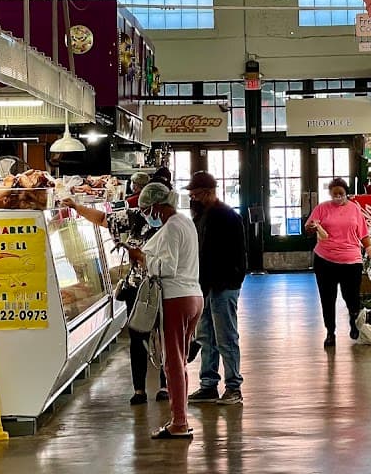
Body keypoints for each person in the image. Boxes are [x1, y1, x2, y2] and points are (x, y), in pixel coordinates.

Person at [63, 184, 203, 438]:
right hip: (193, 295)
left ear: (157, 207)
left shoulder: (171, 227)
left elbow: (167, 267)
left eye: (148, 209)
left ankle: (180, 422)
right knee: (178, 360)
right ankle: (178, 418)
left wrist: (141, 257)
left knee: (172, 362)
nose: (147, 214)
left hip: (176, 297)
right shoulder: (186, 222)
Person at [185, 172, 247, 406]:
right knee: (206, 337)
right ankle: (208, 385)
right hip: (205, 286)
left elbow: (239, 254)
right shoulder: (201, 216)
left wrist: (233, 281)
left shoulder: (228, 217)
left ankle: (233, 387)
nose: (193, 198)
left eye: (197, 194)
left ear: (209, 192)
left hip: (223, 286)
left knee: (226, 337)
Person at [305, 177, 371, 347]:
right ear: (330, 194)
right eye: (335, 194)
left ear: (346, 193)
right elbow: (308, 228)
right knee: (327, 298)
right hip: (325, 260)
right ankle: (330, 332)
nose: (338, 197)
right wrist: (312, 227)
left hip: (351, 261)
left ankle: (353, 321)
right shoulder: (322, 208)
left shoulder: (355, 210)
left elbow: (364, 236)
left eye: (341, 193)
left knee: (352, 297)